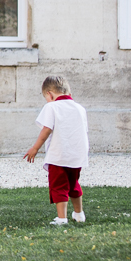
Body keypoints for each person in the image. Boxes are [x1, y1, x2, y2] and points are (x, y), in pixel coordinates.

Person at [22, 74, 89, 226]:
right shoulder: (80, 108)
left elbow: (46, 129)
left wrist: (35, 148)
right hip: (77, 155)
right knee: (73, 184)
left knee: (59, 185)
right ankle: (79, 214)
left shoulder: (51, 107)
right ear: (69, 93)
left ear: (49, 94)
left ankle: (62, 218)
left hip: (59, 154)